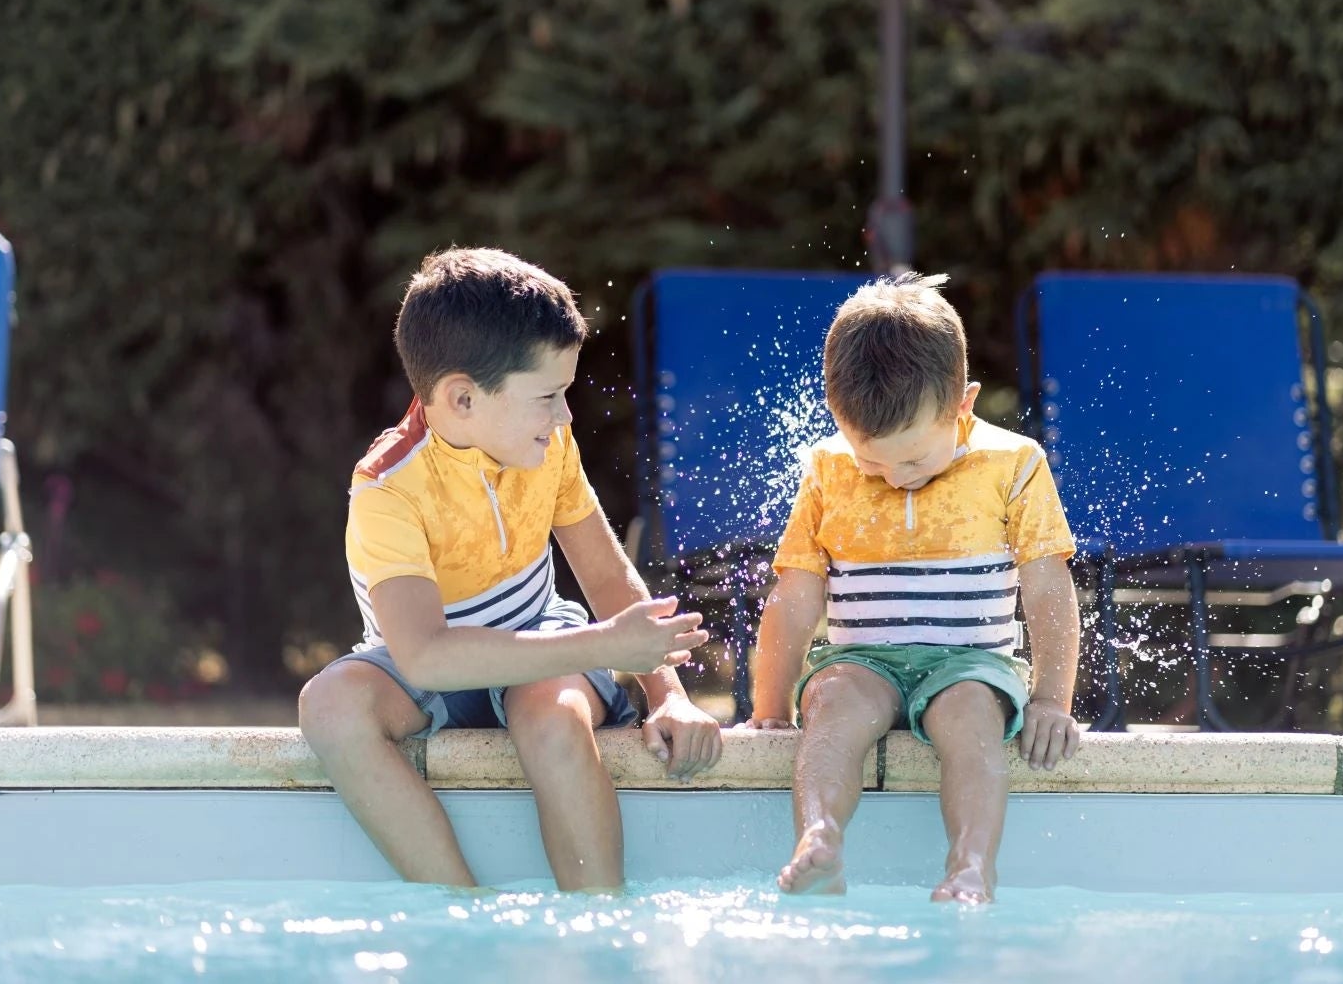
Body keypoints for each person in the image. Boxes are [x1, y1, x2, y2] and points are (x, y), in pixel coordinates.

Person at [299, 247, 723, 890]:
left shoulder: (548, 444)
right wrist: (608, 644)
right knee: (330, 706)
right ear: (462, 398)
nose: (565, 415)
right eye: (548, 396)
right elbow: (425, 659)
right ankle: (460, 912)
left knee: (550, 714)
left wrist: (668, 695)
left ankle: (600, 922)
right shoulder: (388, 489)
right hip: (431, 667)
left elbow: (607, 577)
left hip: (539, 639)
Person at [746, 272, 1082, 903]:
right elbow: (794, 599)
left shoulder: (1013, 465)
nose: (893, 477)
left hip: (971, 664)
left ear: (964, 404)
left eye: (914, 459)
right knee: (831, 706)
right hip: (861, 660)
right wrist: (767, 711)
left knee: (970, 718)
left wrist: (1052, 700)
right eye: (873, 460)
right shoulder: (828, 470)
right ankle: (819, 841)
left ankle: (970, 867)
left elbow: (1047, 591)